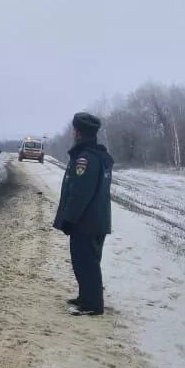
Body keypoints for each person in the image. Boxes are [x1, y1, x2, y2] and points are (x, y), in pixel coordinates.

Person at [52, 112, 114, 316]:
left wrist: (69, 219)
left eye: (74, 129)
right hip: (95, 221)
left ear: (78, 132)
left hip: (86, 222)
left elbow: (80, 193)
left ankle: (92, 305)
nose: (72, 132)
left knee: (86, 263)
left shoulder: (85, 159)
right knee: (85, 261)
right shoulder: (96, 156)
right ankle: (86, 297)